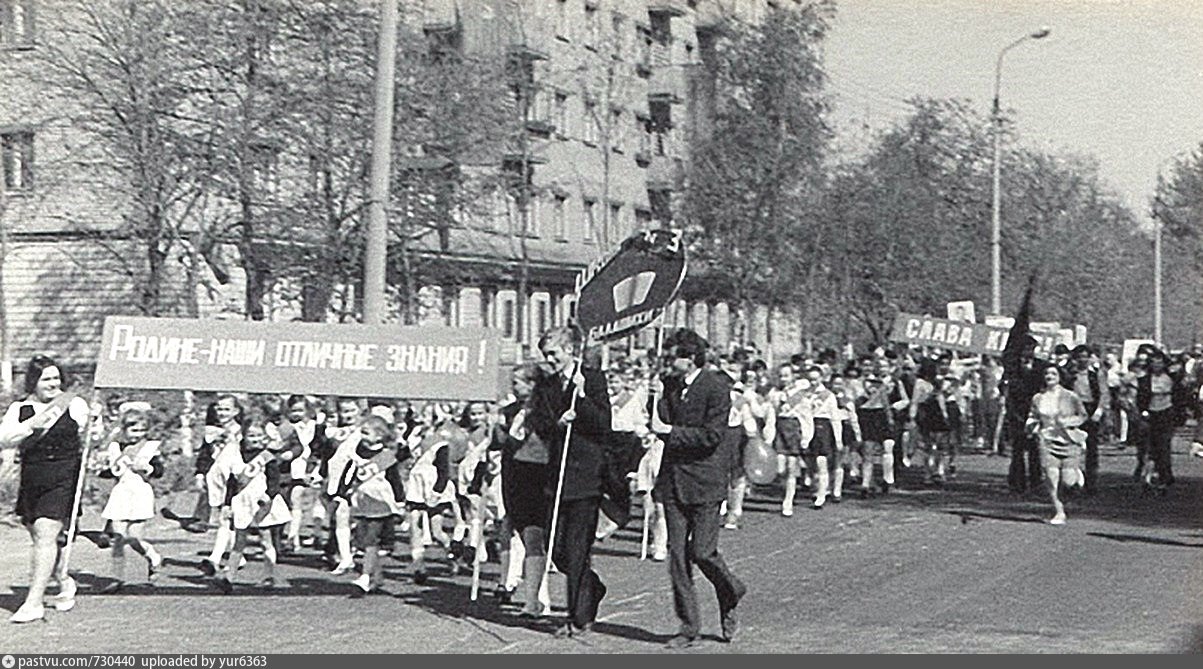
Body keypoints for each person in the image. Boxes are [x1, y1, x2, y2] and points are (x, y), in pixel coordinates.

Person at [649, 328, 747, 648]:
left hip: (705, 481)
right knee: (677, 557)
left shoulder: (717, 388)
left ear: (689, 359)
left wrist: (671, 431)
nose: (666, 361)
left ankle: (729, 589)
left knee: (703, 552)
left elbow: (712, 436)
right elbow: (659, 425)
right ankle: (689, 626)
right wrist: (657, 398)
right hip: (674, 481)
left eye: (671, 356)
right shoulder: (670, 385)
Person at [525, 325, 612, 639]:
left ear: (571, 349)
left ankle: (578, 618)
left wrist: (584, 397)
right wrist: (557, 423)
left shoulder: (592, 379)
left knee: (577, 550)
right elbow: (539, 422)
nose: (550, 359)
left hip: (586, 477)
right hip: (556, 476)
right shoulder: (547, 385)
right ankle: (591, 587)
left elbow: (603, 425)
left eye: (554, 353)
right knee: (556, 548)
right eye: (546, 354)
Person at [0, 356, 92, 623]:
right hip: (32, 476)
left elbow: (90, 436)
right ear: (34, 382)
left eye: (56, 378)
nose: (54, 384)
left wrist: (96, 424)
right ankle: (63, 577)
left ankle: (33, 603)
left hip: (63, 474)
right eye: (47, 379)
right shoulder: (21, 409)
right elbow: (4, 439)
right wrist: (29, 427)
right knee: (39, 535)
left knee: (44, 533)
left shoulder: (74, 404)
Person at [495, 364, 553, 616]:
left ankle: (539, 599)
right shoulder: (509, 411)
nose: (513, 388)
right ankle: (533, 601)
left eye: (517, 383)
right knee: (524, 535)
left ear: (532, 384)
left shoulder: (546, 411)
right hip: (514, 476)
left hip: (538, 475)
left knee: (535, 538)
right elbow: (500, 443)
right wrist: (495, 424)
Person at [214, 411, 293, 593]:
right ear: (244, 435)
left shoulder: (267, 457)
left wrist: (269, 496)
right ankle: (229, 578)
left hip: (262, 502)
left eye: (259, 435)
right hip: (242, 502)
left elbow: (275, 480)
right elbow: (232, 482)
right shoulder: (236, 454)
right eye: (251, 435)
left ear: (265, 437)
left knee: (265, 540)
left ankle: (268, 575)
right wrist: (226, 505)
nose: (255, 439)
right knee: (239, 541)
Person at [97, 409, 165, 593]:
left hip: (140, 493)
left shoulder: (150, 449)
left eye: (142, 430)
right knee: (118, 538)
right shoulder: (116, 448)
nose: (137, 435)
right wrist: (99, 467)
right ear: (124, 430)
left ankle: (152, 556)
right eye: (133, 430)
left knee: (134, 537)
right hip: (121, 493)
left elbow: (159, 471)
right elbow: (111, 471)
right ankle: (117, 578)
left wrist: (148, 468)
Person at [340, 415, 406, 597]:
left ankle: (365, 576)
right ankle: (377, 577)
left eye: (365, 432)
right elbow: (348, 474)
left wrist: (400, 501)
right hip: (361, 502)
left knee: (371, 539)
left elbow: (395, 481)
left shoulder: (386, 457)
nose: (361, 435)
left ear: (379, 435)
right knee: (365, 541)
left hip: (380, 503)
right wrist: (341, 493)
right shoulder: (357, 453)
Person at [1026, 363, 1088, 524]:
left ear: (1060, 377)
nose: (1049, 377)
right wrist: (1031, 426)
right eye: (1047, 374)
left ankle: (1076, 476)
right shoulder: (1038, 398)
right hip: (1047, 440)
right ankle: (1059, 512)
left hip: (1069, 440)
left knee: (1068, 481)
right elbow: (1033, 416)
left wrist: (1066, 422)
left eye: (1053, 374)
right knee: (1051, 478)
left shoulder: (1070, 396)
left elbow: (1082, 416)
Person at [1063, 346, 1110, 495]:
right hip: (1074, 410)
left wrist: (1099, 410)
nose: (1083, 360)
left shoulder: (1096, 374)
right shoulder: (1068, 374)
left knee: (1092, 448)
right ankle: (1071, 482)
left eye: (1085, 356)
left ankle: (1091, 483)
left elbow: (1104, 393)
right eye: (1079, 357)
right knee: (1071, 447)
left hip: (1091, 409)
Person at [1136, 350, 1184, 492]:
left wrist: (1179, 413)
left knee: (1164, 445)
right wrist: (1143, 411)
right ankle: (1148, 474)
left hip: (1167, 412)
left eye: (1159, 363)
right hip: (1151, 413)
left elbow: (1180, 394)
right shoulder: (1145, 379)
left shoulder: (1171, 378)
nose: (1157, 365)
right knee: (1150, 445)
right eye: (1154, 363)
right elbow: (1141, 397)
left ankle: (1165, 476)